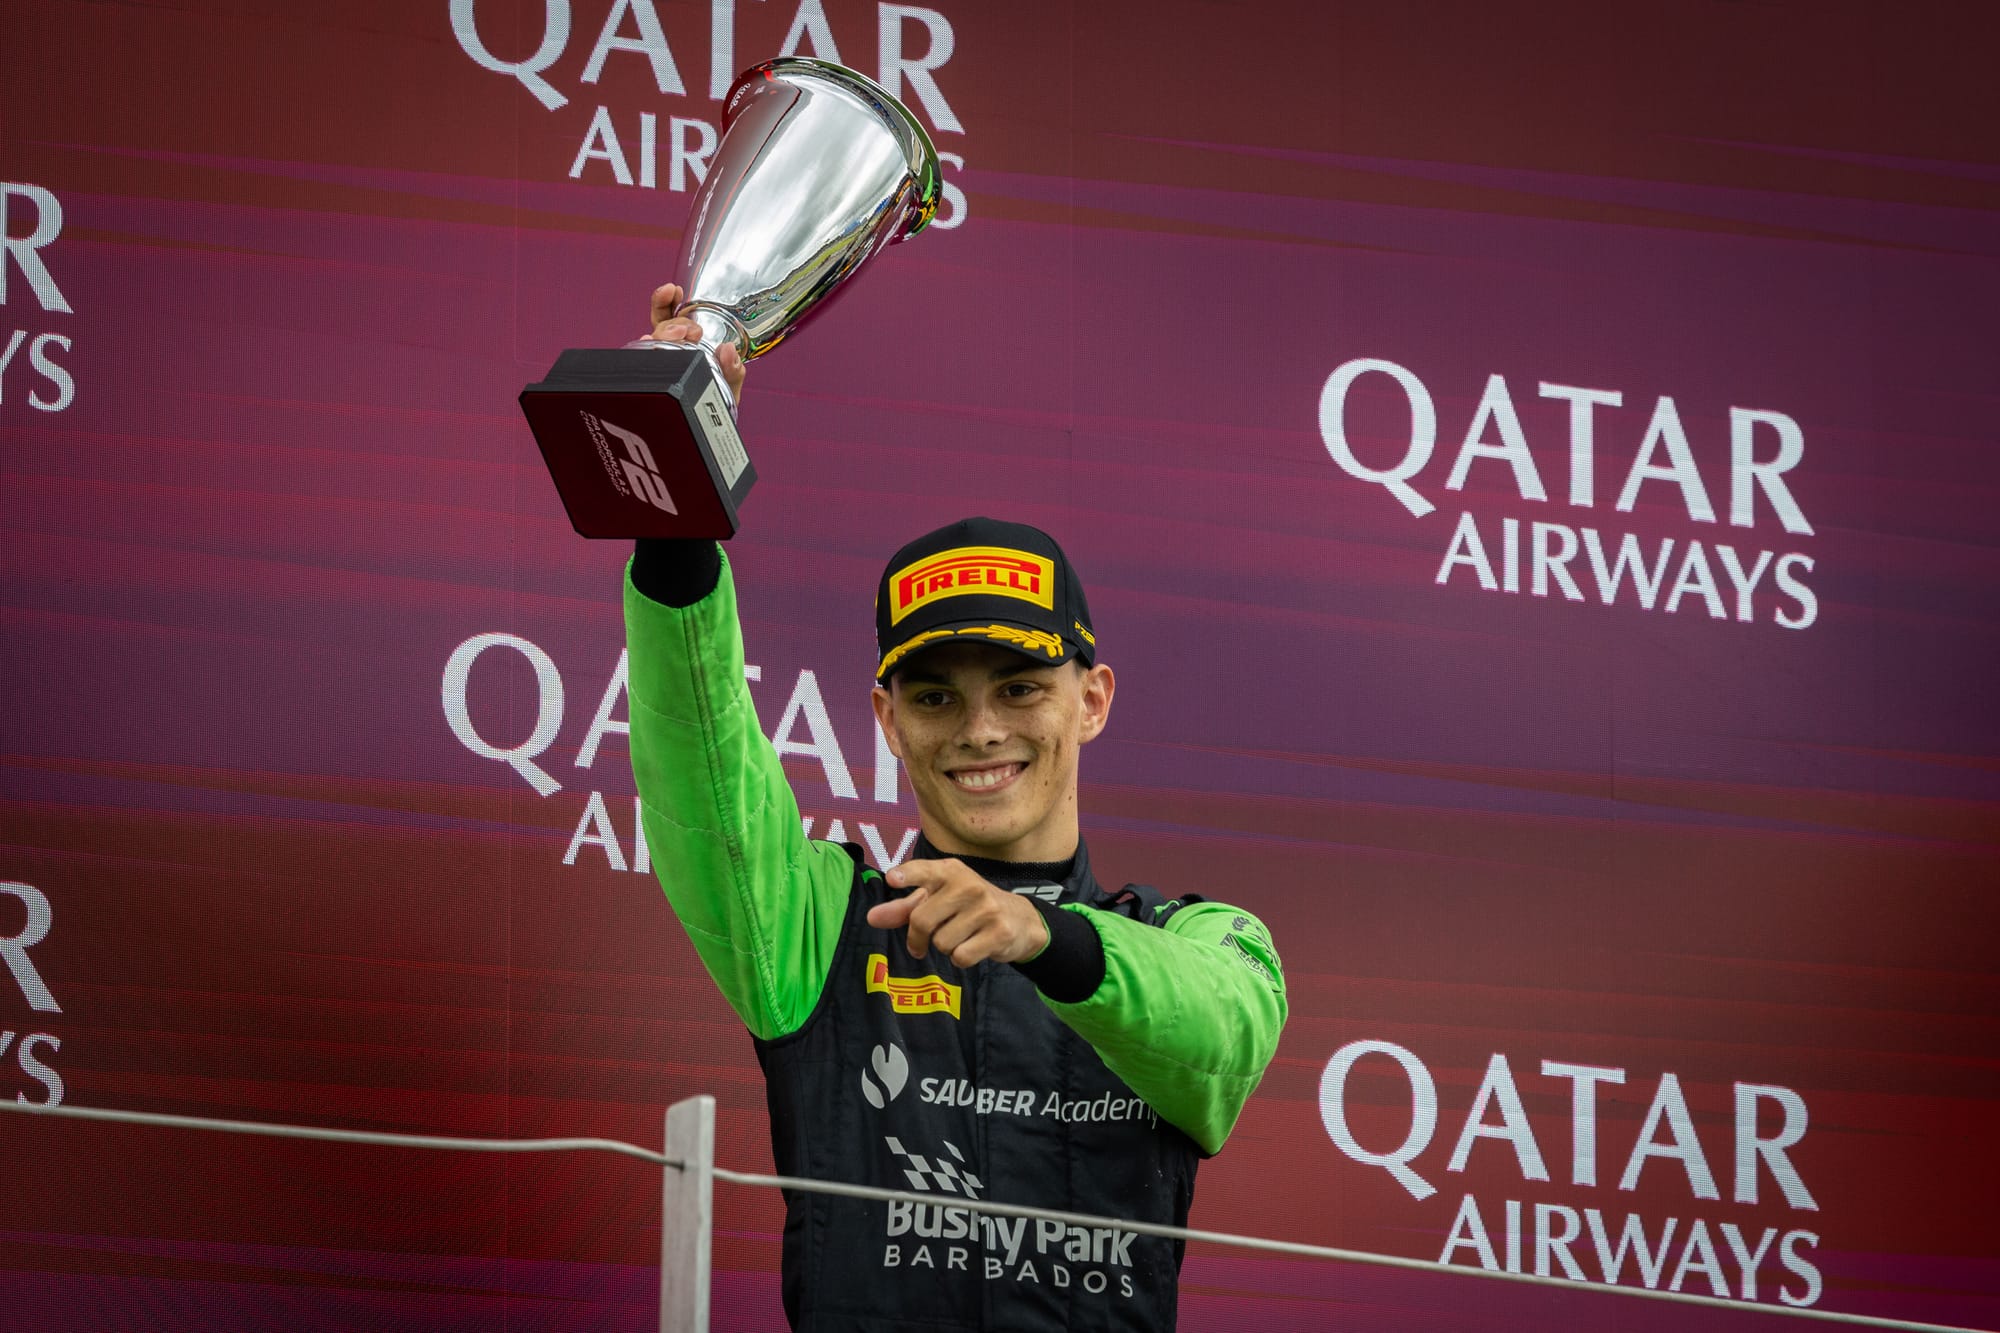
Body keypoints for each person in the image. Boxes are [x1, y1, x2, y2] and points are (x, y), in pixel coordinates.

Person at [625, 285, 1286, 1331]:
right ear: (886, 719)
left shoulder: (1194, 939)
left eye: (1019, 688)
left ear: (1092, 699)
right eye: (935, 697)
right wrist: (675, 509)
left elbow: (1223, 1035)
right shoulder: (822, 926)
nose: (980, 730)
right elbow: (701, 765)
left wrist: (1048, 938)